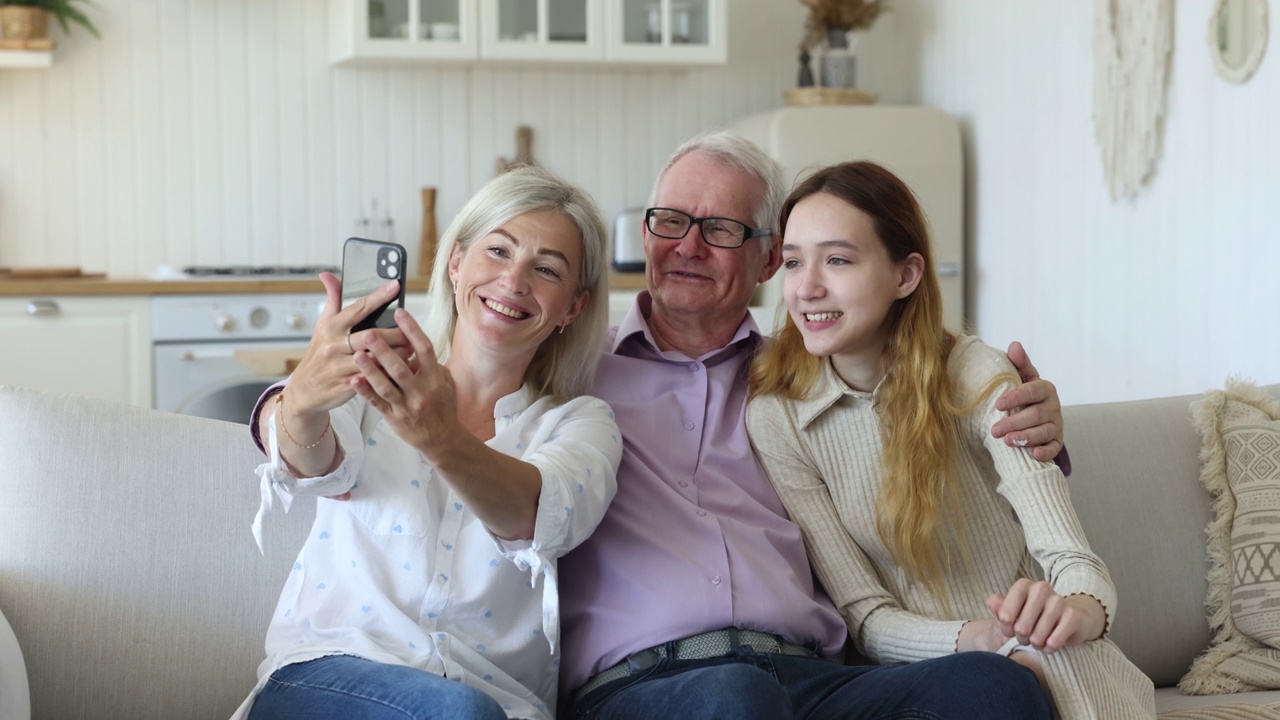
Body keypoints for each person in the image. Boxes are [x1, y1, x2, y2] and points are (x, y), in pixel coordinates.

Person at [556, 132, 1066, 719]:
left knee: (995, 686)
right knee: (736, 696)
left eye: (721, 229)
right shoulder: (570, 375)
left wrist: (1032, 424)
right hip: (645, 687)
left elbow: (938, 429)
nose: (689, 246)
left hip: (811, 680)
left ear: (769, 260)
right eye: (670, 221)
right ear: (647, 234)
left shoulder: (815, 383)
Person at [745, 160, 1155, 718]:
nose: (807, 287)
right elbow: (866, 617)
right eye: (793, 262)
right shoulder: (778, 416)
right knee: (1000, 681)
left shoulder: (975, 374)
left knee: (1046, 661)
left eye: (837, 259)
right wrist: (985, 639)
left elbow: (1073, 559)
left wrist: (1075, 611)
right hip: (923, 677)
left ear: (905, 275)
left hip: (1048, 653)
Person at [235, 165, 623, 720]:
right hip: (327, 677)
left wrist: (439, 437)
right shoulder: (374, 372)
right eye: (497, 251)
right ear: (455, 261)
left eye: (545, 269)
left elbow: (535, 517)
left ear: (573, 309)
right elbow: (312, 461)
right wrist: (302, 397)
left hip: (496, 703)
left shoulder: (582, 424)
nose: (514, 281)